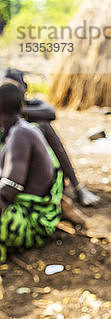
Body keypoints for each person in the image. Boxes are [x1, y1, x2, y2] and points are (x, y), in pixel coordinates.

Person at [3, 68, 100, 207]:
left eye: (15, 87)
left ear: (24, 89)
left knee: (44, 127)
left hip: (29, 169)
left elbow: (51, 113)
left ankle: (76, 186)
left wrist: (14, 109)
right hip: (12, 171)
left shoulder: (27, 110)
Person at [0, 82, 63, 263]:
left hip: (32, 222)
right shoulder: (18, 131)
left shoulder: (21, 135)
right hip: (31, 215)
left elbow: (9, 190)